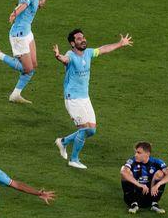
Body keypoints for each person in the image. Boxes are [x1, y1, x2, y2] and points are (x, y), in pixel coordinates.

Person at [53, 29, 133, 169]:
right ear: (72, 43)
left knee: (92, 130)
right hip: (73, 99)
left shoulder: (88, 53)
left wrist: (120, 44)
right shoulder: (70, 55)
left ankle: (63, 142)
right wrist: (58, 56)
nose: (83, 40)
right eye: (78, 39)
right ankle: (73, 159)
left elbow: (103, 49)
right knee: (84, 129)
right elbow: (65, 60)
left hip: (85, 98)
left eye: (83, 37)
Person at [120, 142, 168, 214]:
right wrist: (139, 184)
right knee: (125, 171)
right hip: (133, 196)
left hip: (149, 195)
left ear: (147, 154)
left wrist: (158, 184)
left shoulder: (156, 162)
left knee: (160, 173)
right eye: (136, 152)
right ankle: (133, 204)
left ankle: (154, 203)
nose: (135, 155)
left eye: (139, 153)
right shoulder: (132, 161)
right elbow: (123, 172)